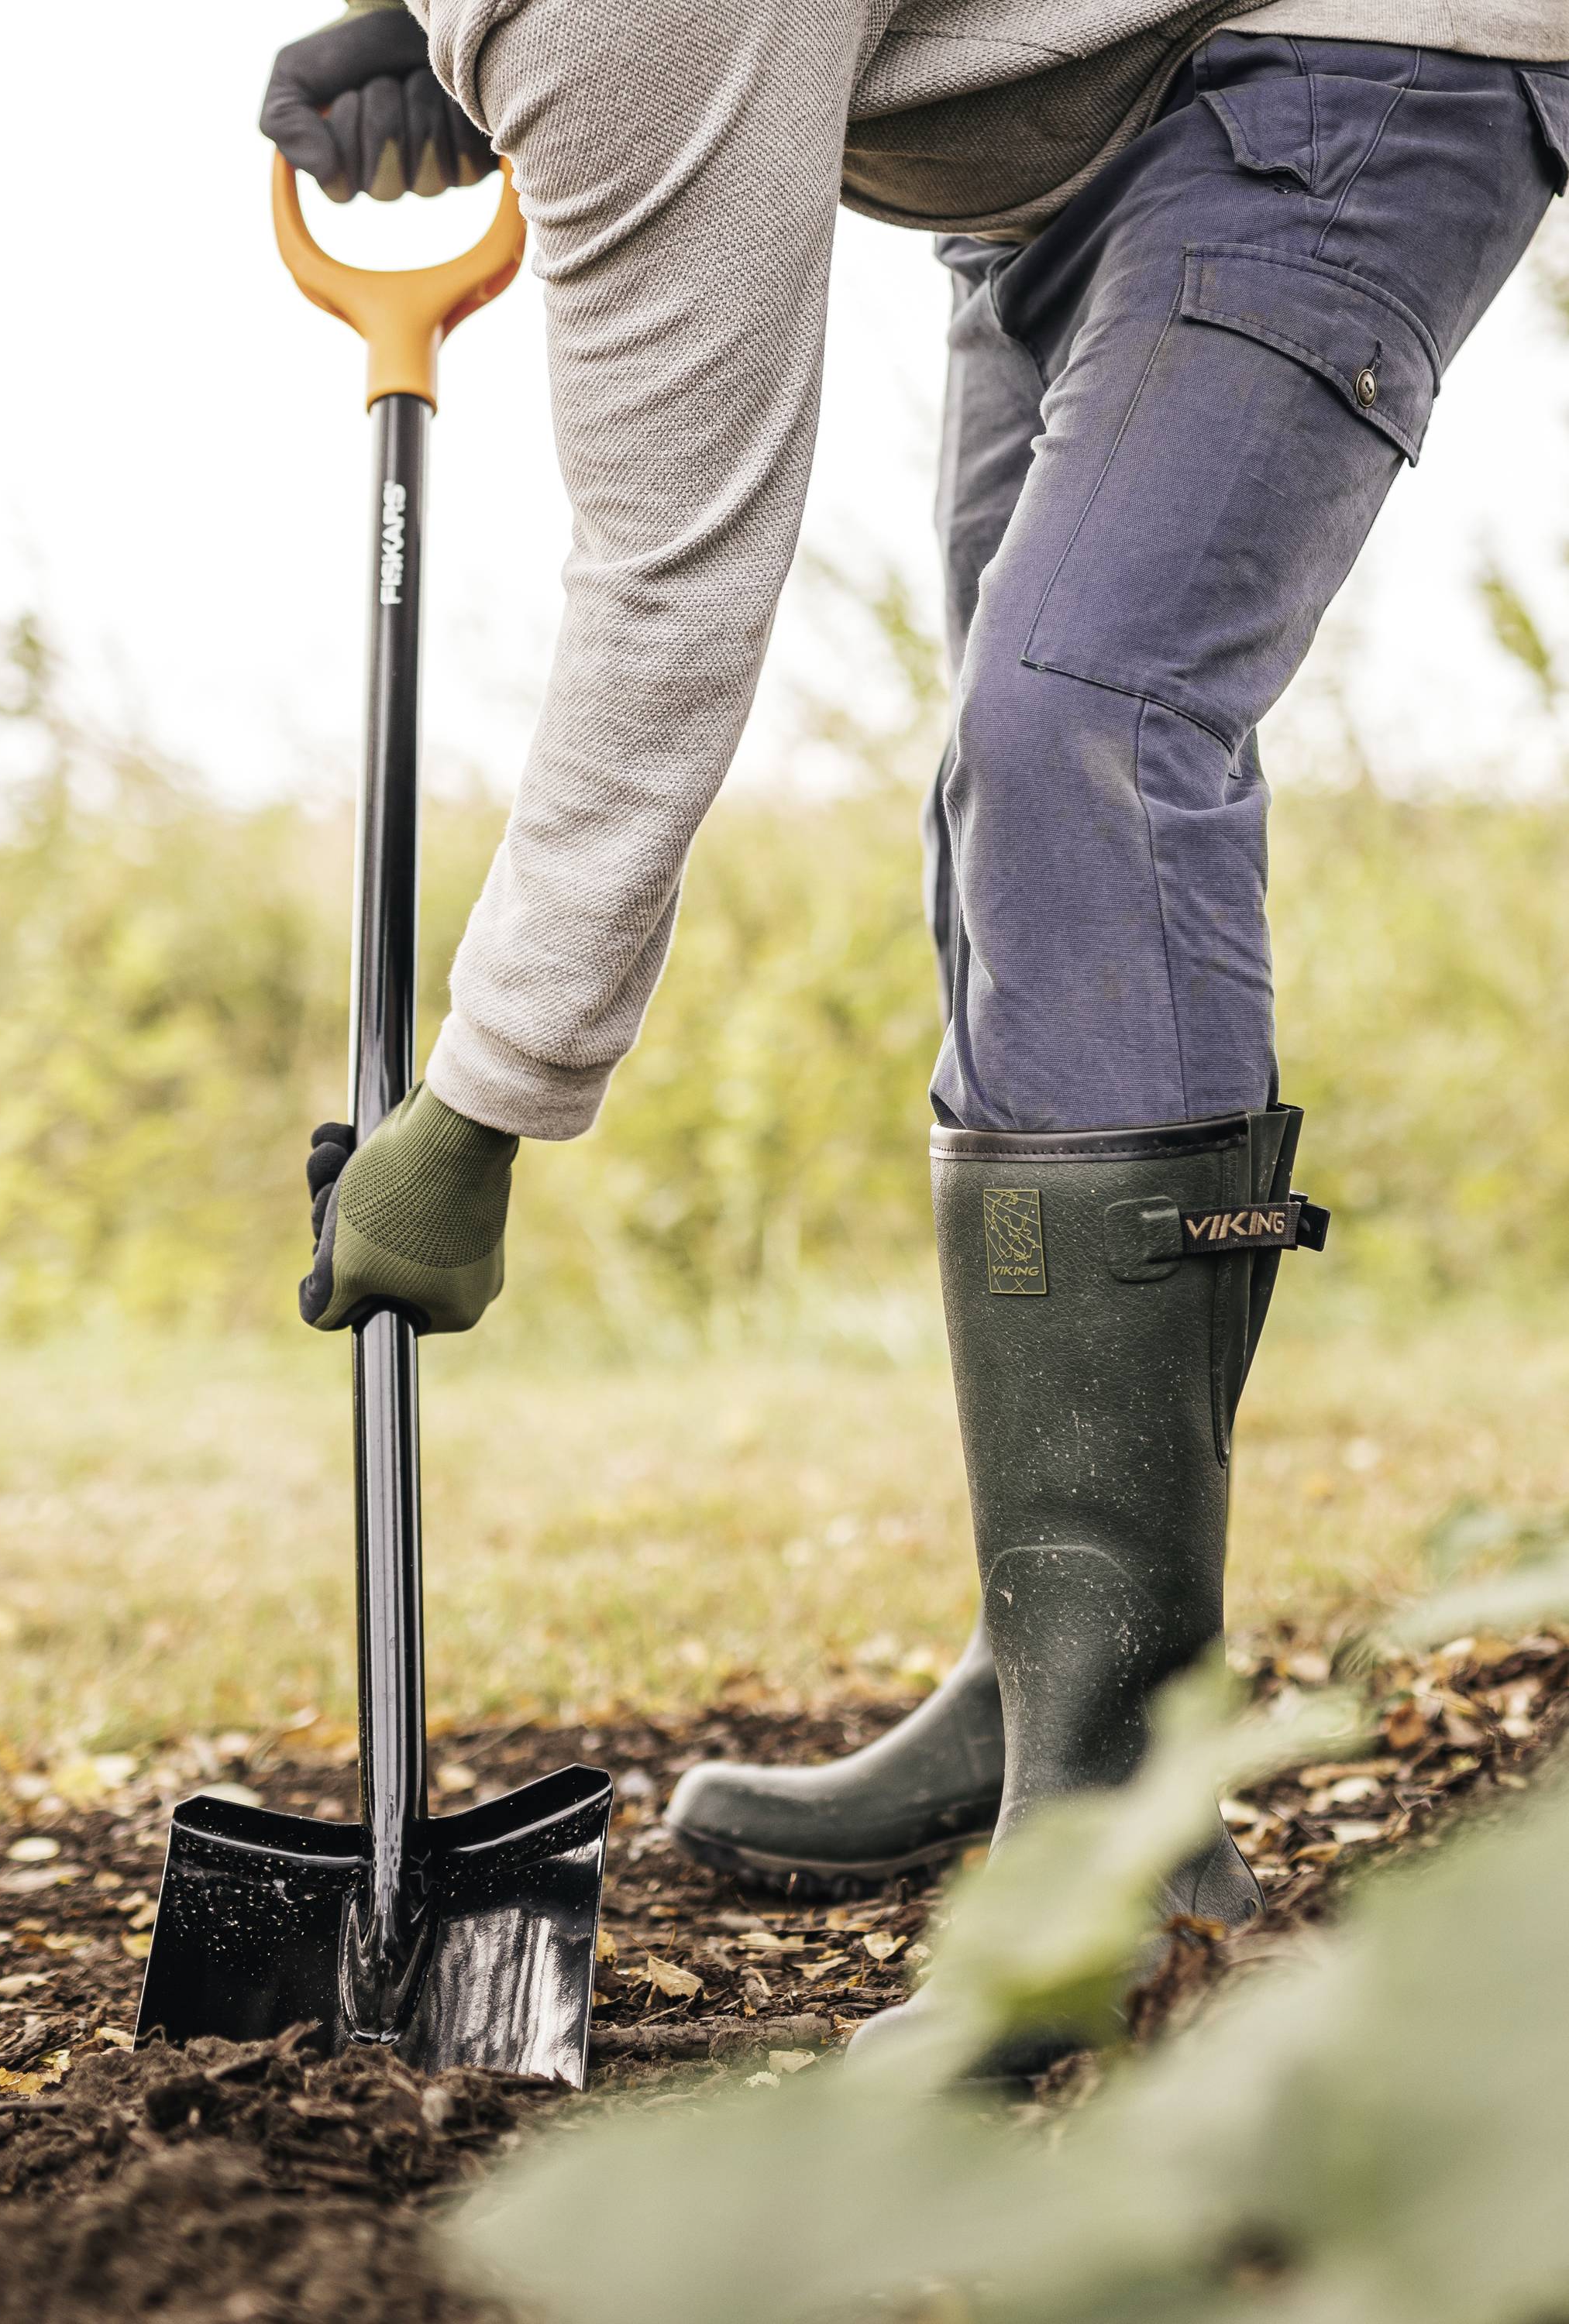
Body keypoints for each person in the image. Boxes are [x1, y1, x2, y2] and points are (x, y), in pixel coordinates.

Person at [267, 0, 1569, 2043]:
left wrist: (489, 1097)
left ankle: (1127, 1826)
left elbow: (674, 572)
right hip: (1070, 133)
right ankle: (1060, 1668)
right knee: (1012, 799)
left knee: (1085, 731)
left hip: (1358, 46)